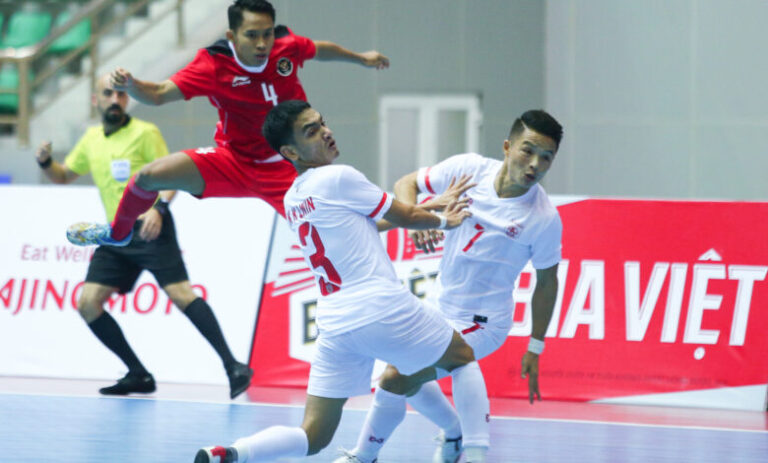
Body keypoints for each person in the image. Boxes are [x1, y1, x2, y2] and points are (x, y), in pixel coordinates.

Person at [194, 100, 491, 463]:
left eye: (322, 123)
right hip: (380, 306)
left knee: (313, 434)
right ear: (289, 151)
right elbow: (404, 214)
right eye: (312, 131)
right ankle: (474, 449)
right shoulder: (339, 177)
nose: (326, 132)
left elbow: (362, 224)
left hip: (335, 324)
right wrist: (445, 219)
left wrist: (429, 207)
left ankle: (233, 452)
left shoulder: (293, 197)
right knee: (462, 356)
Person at [66, 0, 390, 247]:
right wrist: (133, 85)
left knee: (341, 229)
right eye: (252, 36)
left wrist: (361, 58)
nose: (262, 44)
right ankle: (118, 234)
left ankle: (415, 220)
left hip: (290, 167)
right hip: (231, 161)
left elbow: (319, 49)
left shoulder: (286, 47)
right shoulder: (212, 65)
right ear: (232, 36)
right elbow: (161, 93)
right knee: (148, 176)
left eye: (267, 34)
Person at [343, 110, 564, 463]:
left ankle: (365, 456)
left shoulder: (543, 218)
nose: (534, 164)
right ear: (507, 147)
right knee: (398, 374)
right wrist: (417, 214)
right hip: (439, 307)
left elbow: (547, 281)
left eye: (546, 158)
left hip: (485, 322)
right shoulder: (469, 169)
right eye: (528, 151)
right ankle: (454, 433)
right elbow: (407, 183)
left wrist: (535, 346)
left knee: (398, 375)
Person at [36, 74, 253, 399]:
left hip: (150, 226)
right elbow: (64, 176)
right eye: (108, 94)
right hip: (115, 234)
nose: (116, 100)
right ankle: (138, 374)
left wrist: (159, 209)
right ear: (96, 100)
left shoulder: (145, 133)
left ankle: (234, 366)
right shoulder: (92, 138)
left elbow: (170, 174)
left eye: (121, 95)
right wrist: (45, 162)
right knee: (88, 303)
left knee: (182, 295)